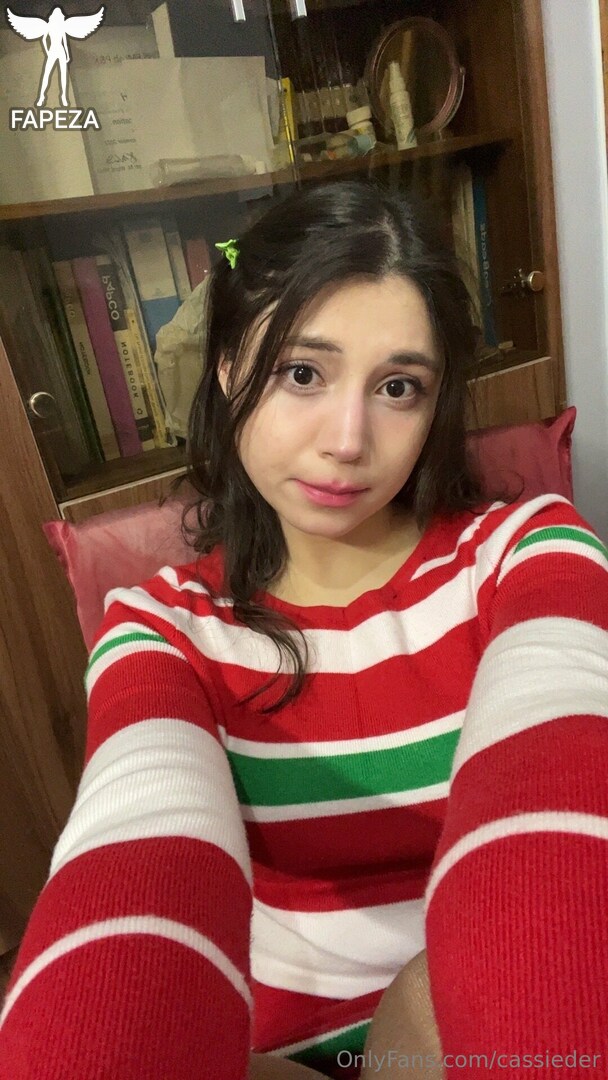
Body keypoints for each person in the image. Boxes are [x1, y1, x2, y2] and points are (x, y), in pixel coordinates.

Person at [1, 179, 607, 1080]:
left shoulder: (529, 553)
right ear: (226, 369)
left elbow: (563, 796)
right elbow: (134, 858)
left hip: (490, 1025)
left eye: (398, 387)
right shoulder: (160, 629)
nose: (347, 440)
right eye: (302, 373)